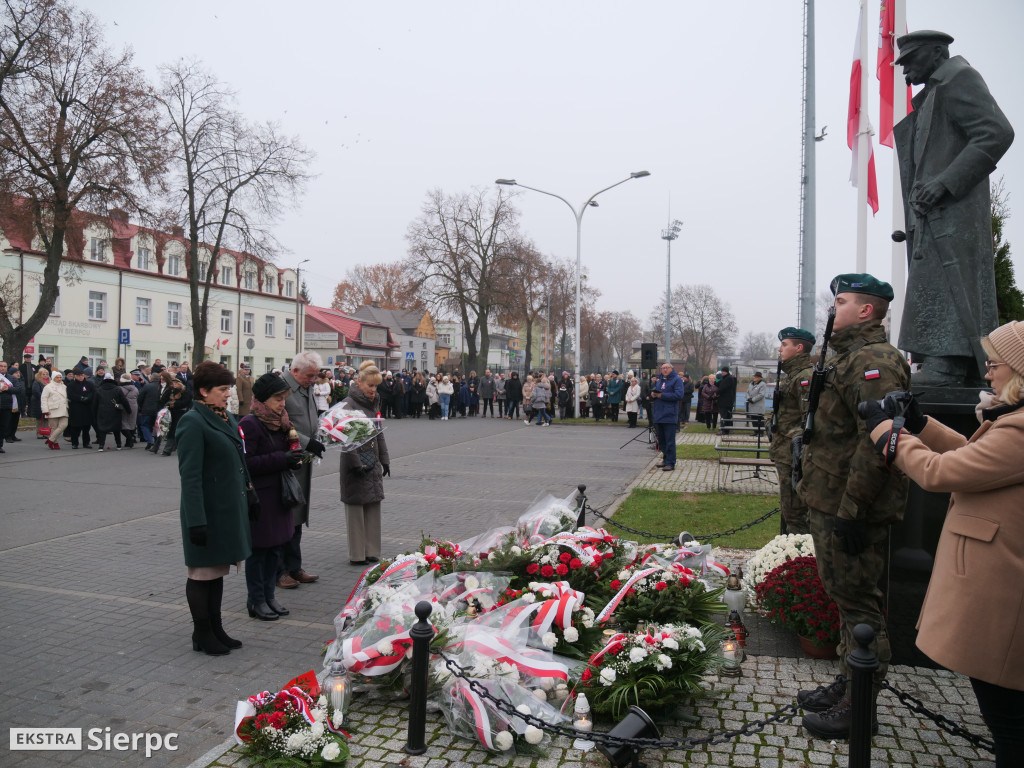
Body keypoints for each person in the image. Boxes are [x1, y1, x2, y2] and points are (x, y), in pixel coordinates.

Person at [861, 319, 1024, 766]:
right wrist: (920, 424)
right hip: (1001, 585)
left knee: (1010, 720)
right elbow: (970, 459)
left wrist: (889, 436)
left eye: (994, 365)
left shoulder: (1021, 430)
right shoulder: (1012, 425)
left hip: (1005, 594)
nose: (987, 374)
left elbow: (940, 473)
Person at [796, 274, 911, 740]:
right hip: (830, 497)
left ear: (866, 310)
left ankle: (860, 705)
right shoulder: (846, 355)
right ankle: (849, 680)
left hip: (852, 505)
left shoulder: (875, 360)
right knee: (845, 600)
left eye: (840, 302)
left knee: (862, 607)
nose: (832, 309)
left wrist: (851, 510)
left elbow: (877, 442)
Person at [893, 30, 1015, 387]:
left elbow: (996, 132)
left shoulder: (959, 78)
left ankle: (949, 366)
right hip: (933, 211)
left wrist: (945, 182)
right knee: (934, 282)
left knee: (951, 283)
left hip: (953, 208)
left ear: (936, 53)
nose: (905, 72)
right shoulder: (931, 94)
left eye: (910, 61)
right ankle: (938, 360)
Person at [176, 361, 252, 656]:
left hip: (226, 510)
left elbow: (239, 459)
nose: (228, 395)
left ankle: (217, 627)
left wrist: (251, 492)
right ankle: (202, 632)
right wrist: (196, 520)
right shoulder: (192, 422)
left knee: (217, 571)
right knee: (201, 575)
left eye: (229, 389)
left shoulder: (225, 418)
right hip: (206, 512)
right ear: (203, 391)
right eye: (223, 390)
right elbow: (190, 476)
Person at [240, 373, 305, 622]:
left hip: (280, 496)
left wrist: (294, 459)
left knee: (276, 550)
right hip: (261, 498)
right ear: (264, 400)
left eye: (284, 398)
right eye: (278, 399)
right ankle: (255, 600)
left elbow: (286, 451)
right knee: (259, 552)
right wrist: (282, 460)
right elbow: (247, 463)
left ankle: (269, 596)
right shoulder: (250, 423)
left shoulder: (281, 421)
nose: (282, 404)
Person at [277, 351, 324, 590]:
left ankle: (295, 568)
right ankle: (281, 571)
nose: (312, 380)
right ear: (295, 371)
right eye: (309, 376)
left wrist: (322, 433)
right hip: (287, 462)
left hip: (302, 462)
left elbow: (309, 418)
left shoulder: (303, 387)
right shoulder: (281, 389)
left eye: (315, 376)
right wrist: (309, 442)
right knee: (285, 519)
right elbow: (280, 423)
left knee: (297, 520)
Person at [339, 361, 390, 565]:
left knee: (372, 507)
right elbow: (346, 440)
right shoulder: (348, 405)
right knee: (356, 510)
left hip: (373, 461)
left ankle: (371, 551)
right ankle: (357, 554)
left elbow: (379, 434)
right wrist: (355, 463)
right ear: (359, 383)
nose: (373, 390)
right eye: (370, 385)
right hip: (356, 464)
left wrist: (385, 460)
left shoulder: (374, 403)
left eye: (376, 386)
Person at [769, 328, 816, 535]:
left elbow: (809, 420)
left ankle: (800, 559)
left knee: (795, 513)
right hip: (785, 452)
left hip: (794, 454)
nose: (780, 349)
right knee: (789, 509)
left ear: (799, 348)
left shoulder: (805, 377)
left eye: (785, 345)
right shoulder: (792, 375)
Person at [651, 362, 686, 471]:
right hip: (659, 413)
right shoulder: (660, 380)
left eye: (667, 368)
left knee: (670, 440)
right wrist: (653, 395)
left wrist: (662, 395)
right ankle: (665, 459)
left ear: (671, 369)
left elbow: (679, 395)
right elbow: (657, 393)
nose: (664, 370)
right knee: (661, 440)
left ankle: (671, 462)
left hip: (669, 414)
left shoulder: (677, 380)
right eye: (663, 368)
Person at [156, 374, 192, 456]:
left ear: (181, 384)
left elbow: (185, 403)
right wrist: (165, 405)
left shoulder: (186, 392)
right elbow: (162, 400)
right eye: (174, 383)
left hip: (182, 413)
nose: (174, 384)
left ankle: (171, 448)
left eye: (176, 383)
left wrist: (173, 404)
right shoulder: (171, 391)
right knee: (169, 430)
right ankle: (167, 449)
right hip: (170, 413)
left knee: (178, 431)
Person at [93, 372, 129, 451]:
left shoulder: (99, 389)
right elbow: (124, 400)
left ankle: (101, 446)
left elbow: (95, 403)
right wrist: (128, 410)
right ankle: (118, 445)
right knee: (116, 429)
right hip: (115, 411)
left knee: (102, 429)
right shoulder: (117, 389)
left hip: (102, 412)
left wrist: (94, 413)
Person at [66, 369, 96, 449]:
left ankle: (86, 443)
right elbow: (70, 395)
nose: (81, 377)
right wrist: (80, 398)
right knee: (75, 427)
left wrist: (88, 398)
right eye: (79, 376)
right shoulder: (71, 385)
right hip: (76, 407)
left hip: (87, 407)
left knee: (86, 427)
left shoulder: (89, 384)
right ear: (75, 376)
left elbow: (93, 393)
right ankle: (75, 443)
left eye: (82, 375)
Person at [40, 370, 69, 449]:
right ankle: (55, 443)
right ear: (53, 378)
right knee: (54, 428)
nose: (59, 379)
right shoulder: (48, 387)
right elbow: (43, 399)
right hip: (52, 409)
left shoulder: (64, 386)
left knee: (64, 425)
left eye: (60, 377)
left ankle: (50, 439)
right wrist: (45, 409)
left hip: (63, 409)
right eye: (57, 377)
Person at [138, 372, 161, 450]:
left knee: (145, 425)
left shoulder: (147, 386)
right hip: (158, 410)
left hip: (146, 409)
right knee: (156, 427)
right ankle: (156, 442)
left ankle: (149, 440)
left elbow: (140, 398)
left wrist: (140, 408)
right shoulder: (161, 387)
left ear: (151, 378)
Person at [118, 373, 139, 448]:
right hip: (134, 407)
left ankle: (130, 439)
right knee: (132, 424)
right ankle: (128, 442)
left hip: (124, 407)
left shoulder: (120, 388)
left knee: (123, 424)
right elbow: (138, 396)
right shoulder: (135, 388)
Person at [716, 366, 737, 435]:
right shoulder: (725, 379)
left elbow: (723, 388)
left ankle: (724, 429)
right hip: (725, 401)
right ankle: (726, 429)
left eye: (723, 371)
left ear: (727, 372)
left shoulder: (729, 379)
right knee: (726, 415)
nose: (722, 372)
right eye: (722, 371)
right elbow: (718, 384)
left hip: (726, 401)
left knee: (724, 416)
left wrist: (716, 393)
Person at [0, 362, 14, 454]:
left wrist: (7, 389)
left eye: (5, 366)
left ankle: (0, 445)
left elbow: (19, 389)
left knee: (3, 427)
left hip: (6, 405)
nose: (3, 368)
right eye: (1, 366)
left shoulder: (11, 378)